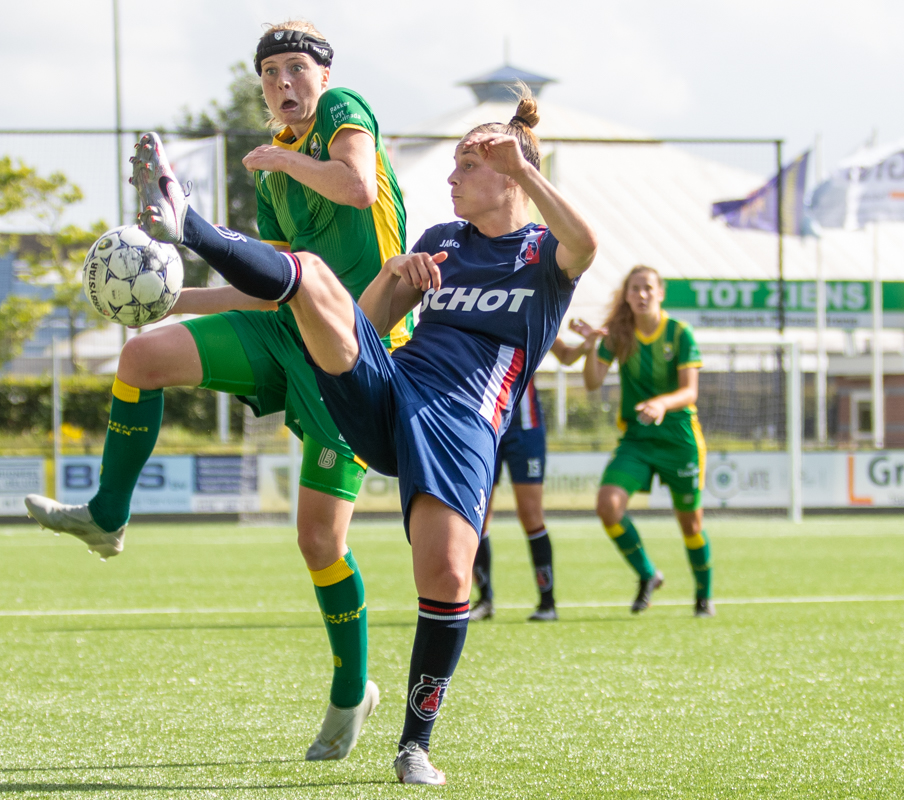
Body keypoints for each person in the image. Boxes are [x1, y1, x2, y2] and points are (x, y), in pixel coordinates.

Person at [130, 85, 596, 784]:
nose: (451, 176)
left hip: (462, 425)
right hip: (390, 388)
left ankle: (415, 745)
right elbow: (368, 326)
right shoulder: (442, 242)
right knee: (313, 275)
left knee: (445, 575)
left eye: (469, 164)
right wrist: (389, 278)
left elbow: (587, 244)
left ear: (509, 170)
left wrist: (528, 166)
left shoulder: (544, 254)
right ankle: (189, 224)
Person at [24, 20, 408, 761]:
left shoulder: (341, 113)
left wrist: (279, 166)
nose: (284, 83)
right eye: (270, 73)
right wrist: (177, 300)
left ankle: (352, 688)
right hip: (282, 332)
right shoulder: (269, 170)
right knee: (142, 358)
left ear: (325, 76)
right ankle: (108, 515)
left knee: (318, 541)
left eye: (297, 68)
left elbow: (358, 186)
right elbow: (273, 283)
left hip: (357, 353)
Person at [578, 266, 715, 617]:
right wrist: (592, 345)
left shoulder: (680, 333)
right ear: (626, 295)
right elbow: (593, 382)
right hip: (637, 440)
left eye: (648, 288)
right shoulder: (620, 334)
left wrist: (660, 403)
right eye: (635, 289)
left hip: (679, 441)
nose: (641, 295)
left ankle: (703, 596)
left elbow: (690, 391)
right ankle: (648, 574)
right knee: (608, 505)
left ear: (661, 293)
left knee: (691, 524)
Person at [468, 334, 592, 623]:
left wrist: (588, 344)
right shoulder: (475, 305)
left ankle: (547, 602)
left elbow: (567, 355)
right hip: (484, 424)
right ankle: (484, 600)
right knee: (479, 515)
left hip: (526, 429)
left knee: (531, 514)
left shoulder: (529, 306)